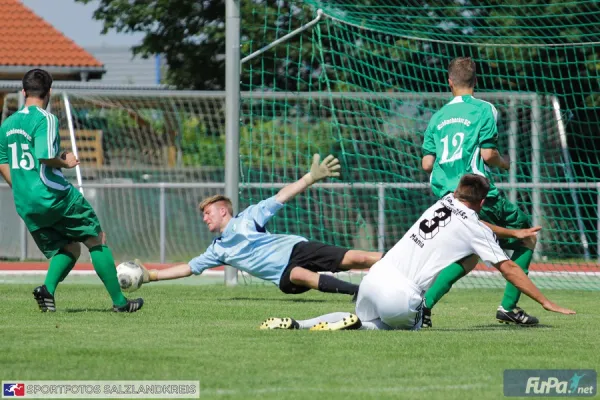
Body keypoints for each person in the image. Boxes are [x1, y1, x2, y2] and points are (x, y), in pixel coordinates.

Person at [260, 174, 575, 331]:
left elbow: (475, 227)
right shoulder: (475, 227)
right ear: (480, 203)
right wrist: (547, 302)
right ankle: (367, 325)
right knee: (377, 328)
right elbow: (509, 269)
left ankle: (300, 324)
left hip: (374, 279)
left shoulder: (443, 201)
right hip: (402, 296)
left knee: (361, 317)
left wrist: (505, 234)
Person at [135, 154, 382, 296]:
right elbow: (187, 268)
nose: (204, 218)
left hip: (296, 249)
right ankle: (359, 293)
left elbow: (282, 196)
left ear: (223, 211)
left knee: (358, 258)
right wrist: (151, 275)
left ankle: (405, 259)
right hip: (283, 276)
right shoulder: (217, 250)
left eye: (208, 213)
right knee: (298, 275)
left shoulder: (249, 217)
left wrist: (310, 177)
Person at [0, 69, 143, 313]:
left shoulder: (8, 124)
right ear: (50, 92)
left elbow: (3, 161)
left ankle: (47, 291)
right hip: (54, 195)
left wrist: (23, 188)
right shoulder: (45, 119)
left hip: (24, 202)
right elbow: (44, 156)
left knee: (69, 248)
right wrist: (65, 162)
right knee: (96, 238)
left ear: (23, 92)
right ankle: (120, 303)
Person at [420, 56, 541, 326]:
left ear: (449, 82)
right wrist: (504, 162)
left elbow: (427, 163)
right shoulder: (485, 109)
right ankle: (509, 307)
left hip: (448, 199)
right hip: (478, 196)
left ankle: (423, 309)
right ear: (475, 81)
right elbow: (488, 155)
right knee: (527, 238)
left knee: (468, 254)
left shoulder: (437, 117)